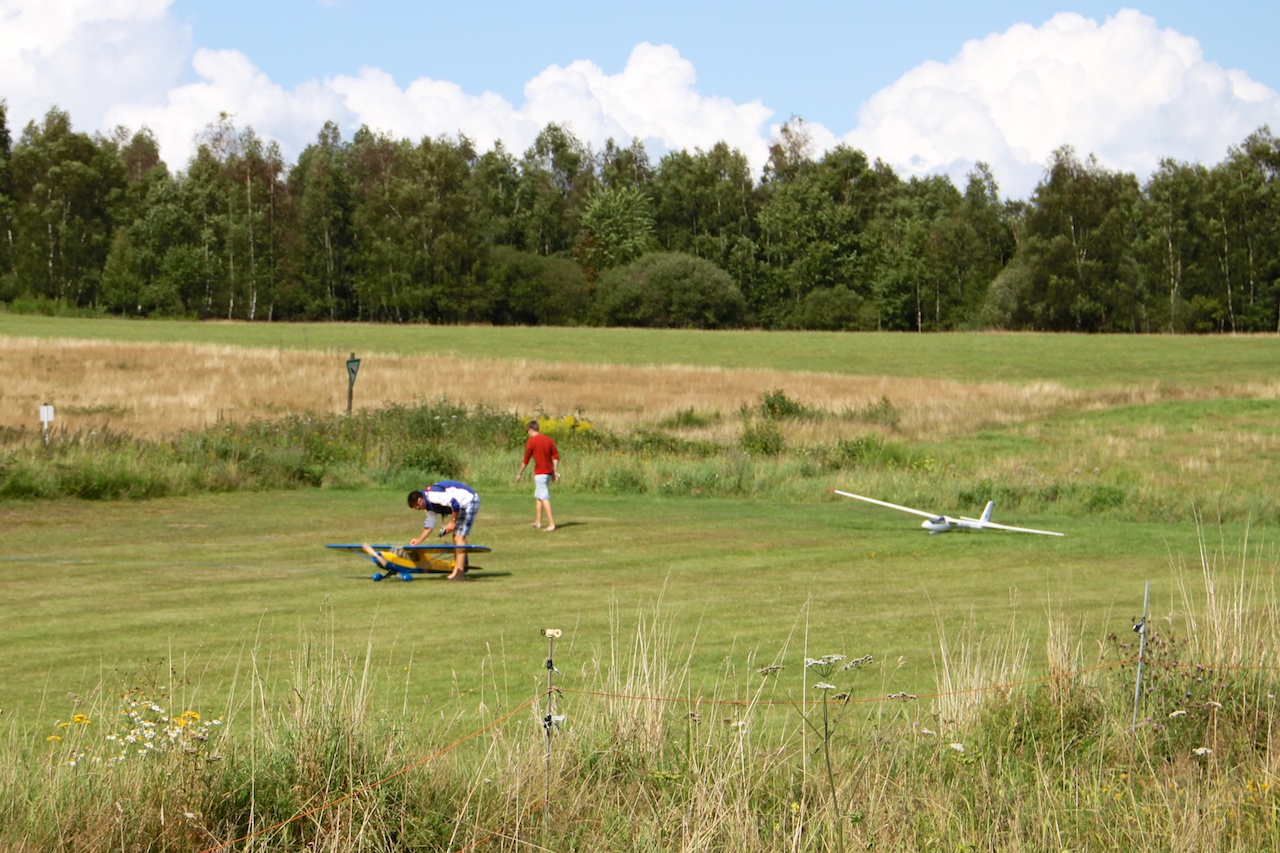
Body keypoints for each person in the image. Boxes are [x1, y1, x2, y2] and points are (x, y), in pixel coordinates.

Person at [407, 481, 480, 580]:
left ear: (420, 501)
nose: (418, 509)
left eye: (417, 507)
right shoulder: (429, 505)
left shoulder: (433, 496)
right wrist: (419, 540)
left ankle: (460, 573)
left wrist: (453, 522)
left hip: (469, 500)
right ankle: (457, 570)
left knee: (459, 537)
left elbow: (454, 503)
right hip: (461, 505)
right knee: (456, 537)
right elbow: (429, 524)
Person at [515, 419, 560, 531]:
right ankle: (538, 522)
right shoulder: (549, 440)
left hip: (540, 473)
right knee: (538, 496)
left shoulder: (531, 442)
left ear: (531, 430)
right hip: (548, 473)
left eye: (528, 433)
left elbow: (526, 460)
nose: (528, 435)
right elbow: (555, 457)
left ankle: (551, 524)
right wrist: (554, 471)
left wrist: (520, 473)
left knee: (544, 497)